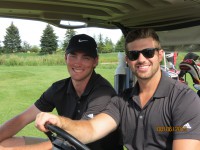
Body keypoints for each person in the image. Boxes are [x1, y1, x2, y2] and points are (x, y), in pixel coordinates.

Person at [35, 28, 200, 150]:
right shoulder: (121, 101)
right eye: (134, 55)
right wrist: (60, 122)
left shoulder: (184, 100)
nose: (141, 59)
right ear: (128, 60)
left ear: (159, 55)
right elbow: (91, 129)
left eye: (148, 52)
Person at [0, 34, 122, 150]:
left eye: (86, 58)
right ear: (65, 58)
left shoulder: (103, 93)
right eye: (73, 56)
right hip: (65, 145)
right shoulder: (59, 88)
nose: (78, 63)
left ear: (95, 61)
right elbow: (23, 118)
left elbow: (78, 137)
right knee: (4, 144)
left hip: (88, 147)